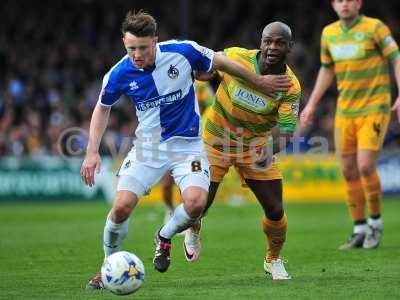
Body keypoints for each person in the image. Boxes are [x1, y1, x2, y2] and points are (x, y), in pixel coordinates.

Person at [81, 11, 292, 289]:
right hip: (149, 148)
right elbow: (102, 107)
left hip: (189, 145)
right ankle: (106, 267)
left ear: (155, 41)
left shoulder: (183, 51)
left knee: (195, 204)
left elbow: (221, 61)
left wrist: (260, 82)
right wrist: (91, 151)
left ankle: (164, 236)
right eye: (131, 48)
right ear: (124, 42)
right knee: (121, 207)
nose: (137, 55)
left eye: (143, 48)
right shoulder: (119, 73)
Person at [185, 21, 301, 280]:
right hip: (215, 140)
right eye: (268, 41)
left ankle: (273, 259)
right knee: (199, 206)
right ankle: (193, 228)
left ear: (289, 47)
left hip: (255, 147)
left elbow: (286, 130)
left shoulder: (290, 86)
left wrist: (270, 150)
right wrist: (206, 73)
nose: (272, 47)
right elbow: (208, 66)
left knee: (275, 210)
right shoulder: (237, 57)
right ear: (261, 42)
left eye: (279, 42)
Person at [300, 0, 400, 250]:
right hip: (345, 111)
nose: (345, 4)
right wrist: (312, 104)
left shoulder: (376, 28)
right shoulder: (328, 33)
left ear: (359, 3)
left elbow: (396, 59)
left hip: (375, 106)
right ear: (334, 5)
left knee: (365, 165)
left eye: (350, 0)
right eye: (340, 0)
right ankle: (359, 228)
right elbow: (326, 69)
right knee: (348, 170)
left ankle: (375, 223)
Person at [161, 80, 215, 226]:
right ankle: (169, 209)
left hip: (193, 142)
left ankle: (186, 217)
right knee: (166, 184)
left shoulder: (201, 85)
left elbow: (212, 106)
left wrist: (201, 123)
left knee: (191, 183)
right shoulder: (169, 82)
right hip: (169, 141)